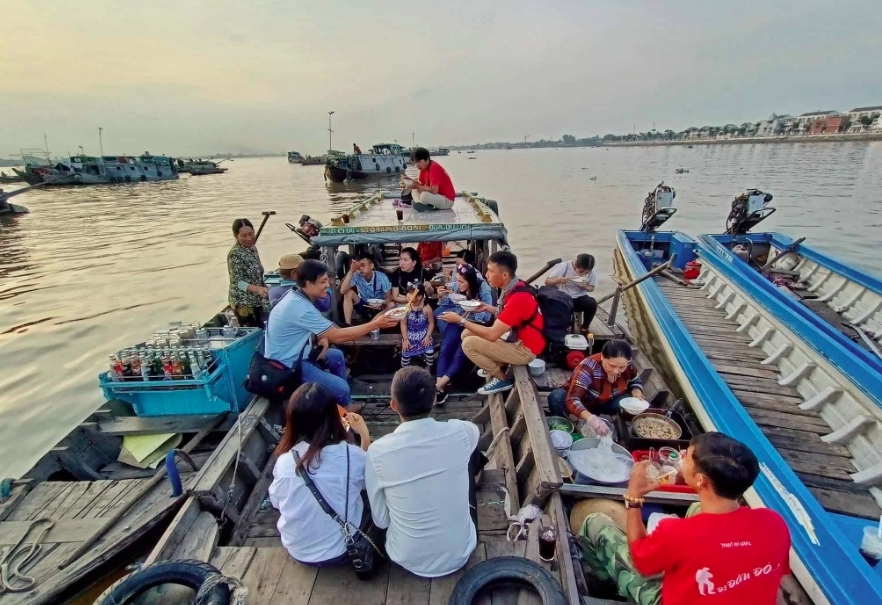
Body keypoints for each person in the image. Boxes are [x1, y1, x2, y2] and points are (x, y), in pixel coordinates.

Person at [576, 432, 791, 605]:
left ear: (700, 480)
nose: (681, 458)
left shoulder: (677, 533)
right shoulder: (774, 523)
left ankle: (603, 585)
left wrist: (634, 497)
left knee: (595, 524)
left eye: (686, 457)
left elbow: (640, 560)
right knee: (697, 508)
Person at [365, 367, 484, 578]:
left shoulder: (377, 452)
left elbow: (382, 521)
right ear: (433, 400)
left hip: (406, 556)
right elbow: (473, 431)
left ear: (394, 405)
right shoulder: (461, 432)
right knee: (468, 457)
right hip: (461, 551)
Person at [266, 259, 398, 409]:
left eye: (328, 280)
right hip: (287, 365)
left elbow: (306, 329)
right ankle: (340, 400)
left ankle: (344, 402)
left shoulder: (298, 296)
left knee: (336, 356)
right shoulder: (299, 306)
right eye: (323, 282)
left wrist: (319, 337)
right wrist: (375, 324)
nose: (328, 286)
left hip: (300, 351)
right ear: (308, 283)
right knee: (341, 387)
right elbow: (338, 335)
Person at [269, 383, 372, 566]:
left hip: (298, 551)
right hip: (341, 550)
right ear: (333, 417)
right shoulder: (351, 454)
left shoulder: (285, 461)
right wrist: (364, 435)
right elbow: (368, 482)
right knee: (371, 499)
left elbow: (276, 503)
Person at [440, 251, 545, 396]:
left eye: (490, 271)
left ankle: (502, 378)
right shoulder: (514, 287)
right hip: (515, 338)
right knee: (466, 334)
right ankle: (495, 365)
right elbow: (510, 316)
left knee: (468, 344)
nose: (486, 275)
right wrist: (488, 308)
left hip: (525, 349)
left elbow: (491, 335)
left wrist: (460, 320)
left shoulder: (518, 298)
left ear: (504, 275)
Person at [548, 340, 643, 436]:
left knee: (627, 401)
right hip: (585, 401)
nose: (616, 371)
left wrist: (636, 392)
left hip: (606, 401)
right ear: (602, 357)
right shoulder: (587, 368)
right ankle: (564, 427)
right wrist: (592, 419)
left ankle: (620, 426)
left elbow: (635, 381)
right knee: (557, 397)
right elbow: (572, 399)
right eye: (612, 366)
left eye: (621, 367)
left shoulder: (628, 365)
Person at [434, 263, 494, 403]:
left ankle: (437, 387)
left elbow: (486, 317)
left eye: (461, 282)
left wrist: (473, 308)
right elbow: (447, 302)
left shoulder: (483, 289)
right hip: (458, 320)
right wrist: (441, 296)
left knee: (459, 354)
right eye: (457, 280)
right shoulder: (456, 287)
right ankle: (440, 387)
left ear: (470, 282)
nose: (457, 284)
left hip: (475, 325)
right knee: (444, 350)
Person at [228, 218, 269, 327]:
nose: (249, 238)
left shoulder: (253, 249)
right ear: (236, 236)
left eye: (251, 234)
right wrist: (258, 289)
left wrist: (265, 286)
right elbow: (238, 283)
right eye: (243, 236)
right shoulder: (235, 254)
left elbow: (256, 274)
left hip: (256, 299)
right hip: (243, 303)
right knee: (255, 330)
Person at [545, 254, 598, 331]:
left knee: (592, 303)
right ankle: (566, 326)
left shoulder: (591, 271)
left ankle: (584, 327)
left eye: (586, 273)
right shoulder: (564, 266)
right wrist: (559, 280)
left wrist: (584, 286)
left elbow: (591, 288)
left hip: (579, 297)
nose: (582, 274)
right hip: (563, 296)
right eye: (581, 271)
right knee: (561, 307)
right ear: (576, 265)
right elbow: (547, 282)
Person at [340, 252, 394, 326]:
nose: (360, 268)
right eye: (358, 266)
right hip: (365, 306)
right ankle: (347, 324)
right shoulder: (356, 275)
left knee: (392, 304)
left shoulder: (382, 278)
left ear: (371, 266)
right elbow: (342, 290)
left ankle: (371, 324)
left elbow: (388, 298)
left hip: (379, 308)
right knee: (348, 293)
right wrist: (351, 271)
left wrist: (380, 304)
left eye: (363, 265)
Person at [269, 253, 333, 313]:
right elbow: (325, 306)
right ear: (293, 274)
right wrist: (328, 288)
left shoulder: (272, 291)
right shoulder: (304, 291)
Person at [400, 284, 436, 369]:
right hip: (410, 337)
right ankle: (405, 371)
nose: (408, 296)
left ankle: (428, 368)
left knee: (430, 353)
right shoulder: (406, 308)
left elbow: (431, 323)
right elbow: (403, 324)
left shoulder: (427, 308)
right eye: (407, 293)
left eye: (411, 294)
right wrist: (405, 339)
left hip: (424, 335)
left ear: (419, 296)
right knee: (405, 356)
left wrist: (428, 336)